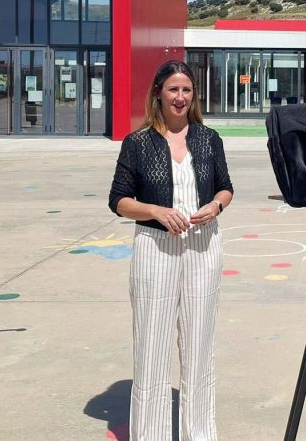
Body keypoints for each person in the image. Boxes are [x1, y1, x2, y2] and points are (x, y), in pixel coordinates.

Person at [108, 60, 233, 441]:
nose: (181, 97)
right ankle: (152, 434)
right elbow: (118, 200)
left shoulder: (209, 138)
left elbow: (226, 187)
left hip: (203, 245)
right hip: (155, 247)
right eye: (173, 90)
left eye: (187, 90)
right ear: (158, 94)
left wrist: (217, 206)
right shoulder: (138, 142)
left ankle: (200, 432)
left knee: (199, 342)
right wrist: (155, 211)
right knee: (152, 343)